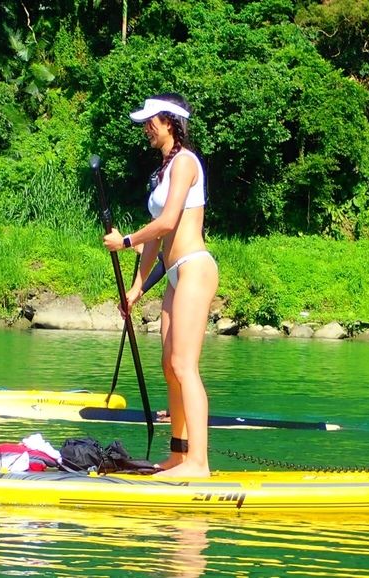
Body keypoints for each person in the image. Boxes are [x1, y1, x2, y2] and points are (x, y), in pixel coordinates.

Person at [102, 93, 218, 478]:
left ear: (170, 121)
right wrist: (136, 289)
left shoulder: (185, 162)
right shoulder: (164, 170)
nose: (146, 129)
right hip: (173, 274)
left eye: (151, 121)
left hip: (194, 268)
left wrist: (125, 241)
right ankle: (179, 456)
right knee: (169, 366)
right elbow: (156, 238)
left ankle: (199, 463)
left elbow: (167, 222)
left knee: (185, 365)